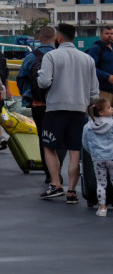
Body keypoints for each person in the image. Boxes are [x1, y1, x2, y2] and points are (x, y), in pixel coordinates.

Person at [37, 23, 101, 203]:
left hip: (56, 108)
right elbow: (94, 91)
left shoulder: (51, 56)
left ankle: (56, 184)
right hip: (79, 109)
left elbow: (43, 82)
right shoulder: (87, 59)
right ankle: (72, 191)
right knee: (75, 150)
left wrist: (41, 75)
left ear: (59, 37)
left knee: (49, 146)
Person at [18, 26, 57, 186]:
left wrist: (28, 96)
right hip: (58, 104)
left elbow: (21, 79)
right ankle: (58, 171)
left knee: (43, 137)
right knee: (59, 138)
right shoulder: (58, 56)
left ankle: (49, 174)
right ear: (55, 39)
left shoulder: (30, 57)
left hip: (38, 104)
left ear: (39, 38)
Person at [83, 98, 113, 217]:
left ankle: (102, 208)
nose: (112, 109)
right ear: (101, 112)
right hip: (112, 156)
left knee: (101, 183)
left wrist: (93, 153)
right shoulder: (111, 124)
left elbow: (84, 143)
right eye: (109, 107)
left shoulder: (88, 126)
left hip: (98, 159)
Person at [88, 25, 113, 103]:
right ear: (101, 35)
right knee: (103, 114)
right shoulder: (96, 48)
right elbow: (90, 68)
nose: (110, 35)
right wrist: (107, 76)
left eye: (112, 33)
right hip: (103, 90)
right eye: (107, 33)